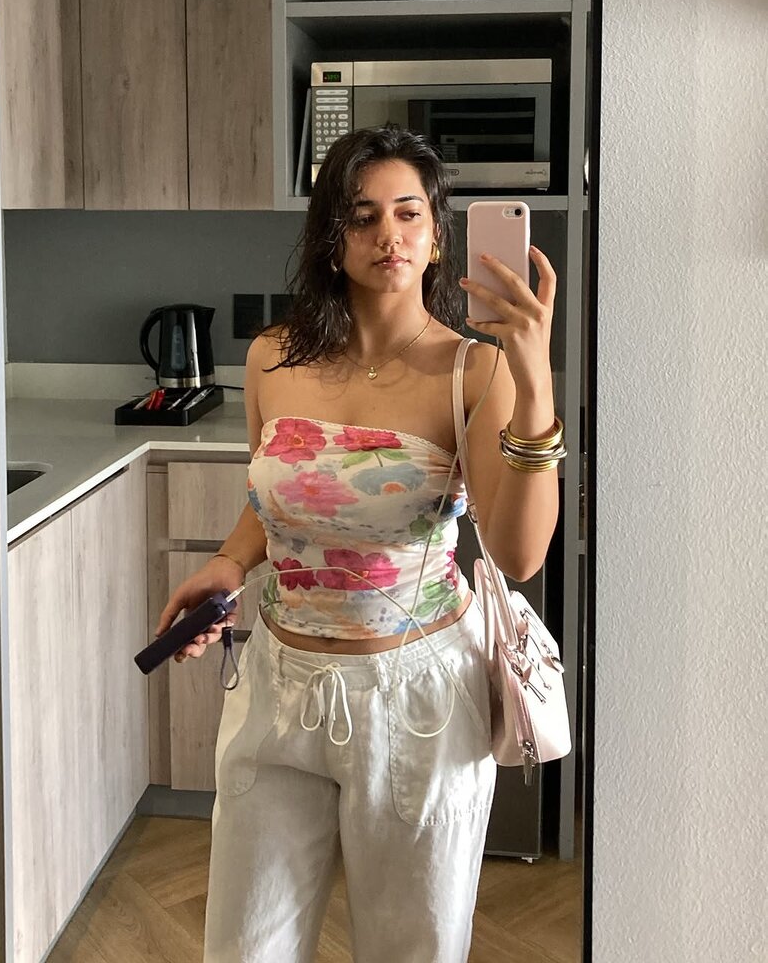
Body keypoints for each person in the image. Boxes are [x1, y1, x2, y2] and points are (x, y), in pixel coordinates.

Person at [156, 126, 562, 963]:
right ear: (331, 238)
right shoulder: (271, 358)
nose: (389, 236)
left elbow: (520, 556)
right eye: (363, 216)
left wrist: (534, 381)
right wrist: (228, 563)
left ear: (437, 236)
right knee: (243, 947)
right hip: (277, 686)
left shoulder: (474, 371)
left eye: (409, 214)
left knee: (410, 948)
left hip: (417, 700)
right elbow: (274, 503)